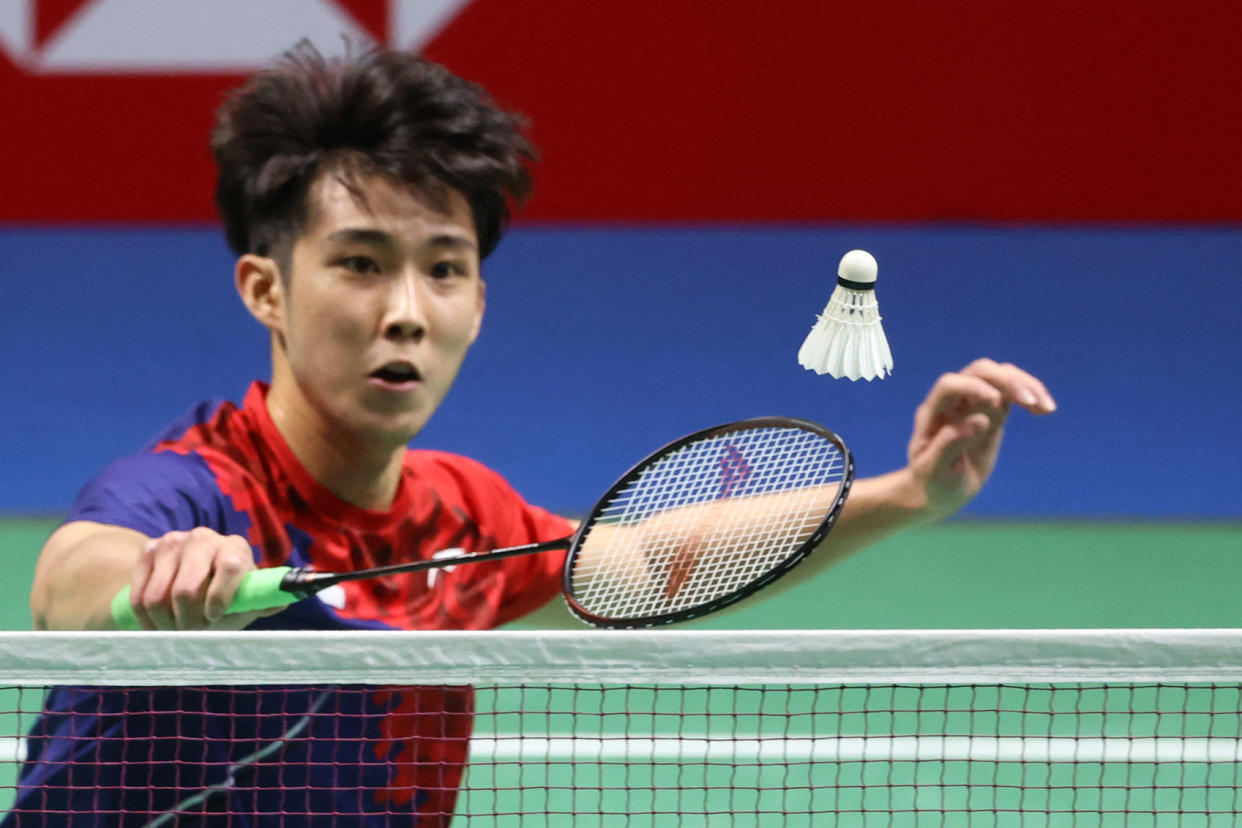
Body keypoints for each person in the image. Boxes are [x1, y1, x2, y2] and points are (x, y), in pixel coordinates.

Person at [11, 42, 1056, 826]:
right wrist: (156, 583)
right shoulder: (195, 491)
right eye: (362, 263)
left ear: (480, 301)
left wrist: (912, 494)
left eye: (445, 268)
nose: (408, 311)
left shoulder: (462, 513)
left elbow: (641, 560)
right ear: (265, 289)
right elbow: (72, 581)